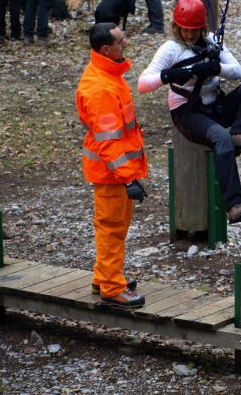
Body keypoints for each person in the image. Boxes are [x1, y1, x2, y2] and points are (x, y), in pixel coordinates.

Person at [138, 0, 241, 224]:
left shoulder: (211, 42)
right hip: (186, 113)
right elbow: (142, 84)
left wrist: (216, 67)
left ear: (202, 28)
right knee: (221, 138)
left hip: (214, 107)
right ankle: (234, 204)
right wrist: (170, 75)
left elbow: (237, 71)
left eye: (194, 30)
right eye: (184, 30)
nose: (189, 35)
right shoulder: (171, 48)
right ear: (176, 27)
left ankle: (238, 133)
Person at [76, 22, 149, 308]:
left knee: (114, 226)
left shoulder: (107, 74)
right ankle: (110, 287)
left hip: (115, 173)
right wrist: (129, 177)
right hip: (112, 174)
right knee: (111, 228)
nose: (126, 43)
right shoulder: (100, 88)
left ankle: (104, 276)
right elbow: (109, 142)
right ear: (106, 48)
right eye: (121, 41)